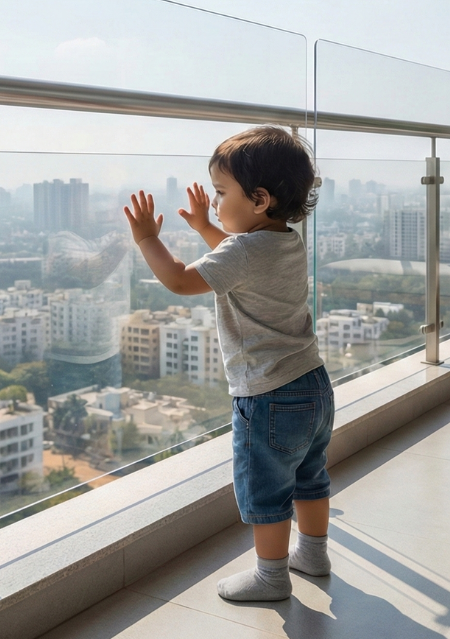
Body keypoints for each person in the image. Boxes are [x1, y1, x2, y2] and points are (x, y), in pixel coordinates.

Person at [123, 125, 333, 602]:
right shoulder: (287, 240)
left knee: (267, 490)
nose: (215, 202)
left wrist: (148, 239)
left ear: (259, 199)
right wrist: (204, 226)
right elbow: (236, 258)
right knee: (309, 477)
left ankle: (271, 578)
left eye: (221, 193)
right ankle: (313, 554)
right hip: (313, 384)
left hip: (268, 394)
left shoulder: (242, 251)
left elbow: (181, 280)